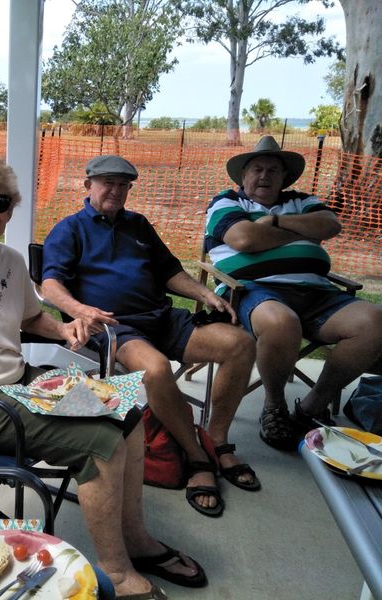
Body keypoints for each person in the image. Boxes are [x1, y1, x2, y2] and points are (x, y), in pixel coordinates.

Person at [0, 151, 206, 599]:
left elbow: (30, 317)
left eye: (0, 203)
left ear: (10, 208)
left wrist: (65, 329)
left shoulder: (8, 260)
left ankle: (137, 539)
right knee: (99, 444)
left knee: (128, 411)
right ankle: (117, 573)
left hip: (20, 383)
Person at [41, 155, 258, 519]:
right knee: (155, 369)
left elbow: (170, 271)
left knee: (241, 345)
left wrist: (202, 293)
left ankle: (217, 439)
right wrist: (80, 310)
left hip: (161, 318)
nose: (115, 190)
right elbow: (50, 285)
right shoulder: (70, 230)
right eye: (107, 182)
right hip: (114, 327)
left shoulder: (138, 225)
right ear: (88, 186)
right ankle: (195, 455)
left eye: (123, 184)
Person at [205, 135, 382, 451]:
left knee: (373, 322)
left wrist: (273, 221)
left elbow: (329, 225)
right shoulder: (227, 201)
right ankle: (274, 407)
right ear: (242, 176)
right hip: (250, 291)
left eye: (273, 170)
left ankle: (311, 408)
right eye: (257, 169)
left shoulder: (302, 199)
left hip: (317, 293)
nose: (264, 176)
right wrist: (300, 230)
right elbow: (244, 239)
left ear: (284, 177)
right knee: (281, 322)